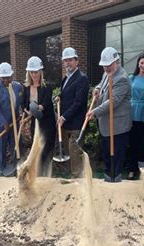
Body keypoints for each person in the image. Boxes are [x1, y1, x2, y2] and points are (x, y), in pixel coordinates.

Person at [86, 47, 131, 183]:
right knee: (106, 153)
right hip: (105, 123)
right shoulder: (107, 73)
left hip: (117, 126)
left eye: (109, 65)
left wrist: (95, 112)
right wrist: (98, 88)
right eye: (104, 66)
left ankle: (115, 181)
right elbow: (103, 83)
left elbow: (113, 102)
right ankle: (108, 178)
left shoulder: (122, 79)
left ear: (117, 61)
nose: (106, 68)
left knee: (116, 156)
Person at [57, 47, 89, 178]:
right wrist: (59, 96)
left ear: (77, 61)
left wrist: (64, 116)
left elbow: (78, 102)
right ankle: (71, 177)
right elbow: (67, 95)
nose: (67, 63)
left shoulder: (82, 78)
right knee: (68, 153)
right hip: (66, 124)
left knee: (75, 153)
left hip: (75, 123)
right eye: (65, 61)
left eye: (70, 60)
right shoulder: (66, 78)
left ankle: (78, 179)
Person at [21, 56, 56, 176]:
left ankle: (46, 172)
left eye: (36, 72)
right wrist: (27, 111)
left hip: (47, 122)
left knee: (46, 147)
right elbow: (23, 103)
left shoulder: (47, 87)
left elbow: (45, 104)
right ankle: (37, 172)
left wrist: (38, 108)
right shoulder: (26, 87)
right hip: (34, 122)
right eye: (31, 72)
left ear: (40, 72)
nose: (34, 75)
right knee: (36, 147)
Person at [0, 62, 23, 177]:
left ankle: (15, 169)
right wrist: (4, 123)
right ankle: (2, 171)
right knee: (1, 151)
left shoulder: (17, 86)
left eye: (8, 77)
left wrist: (24, 112)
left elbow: (22, 101)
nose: (6, 80)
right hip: (0, 126)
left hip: (14, 124)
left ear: (12, 75)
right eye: (3, 78)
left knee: (16, 147)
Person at [127, 53, 144, 180]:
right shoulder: (131, 77)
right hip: (131, 112)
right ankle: (131, 169)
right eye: (142, 63)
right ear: (138, 63)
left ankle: (141, 169)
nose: (143, 66)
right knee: (132, 143)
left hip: (143, 112)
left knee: (142, 142)